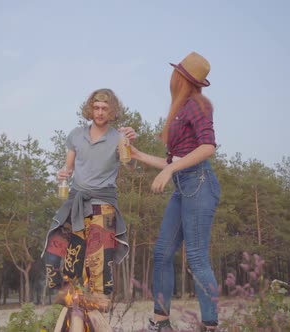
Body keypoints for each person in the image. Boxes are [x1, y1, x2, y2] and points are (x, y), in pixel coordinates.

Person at [130, 52, 221, 331]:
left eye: (176, 73)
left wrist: (169, 171)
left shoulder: (197, 104)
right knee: (162, 254)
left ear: (181, 78)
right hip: (184, 187)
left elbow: (208, 147)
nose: (171, 77)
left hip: (199, 184)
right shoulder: (180, 108)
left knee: (196, 256)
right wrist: (138, 155)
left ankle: (210, 325)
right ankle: (161, 321)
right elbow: (173, 160)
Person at [42, 88, 136, 307]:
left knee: (99, 263)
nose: (100, 112)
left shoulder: (118, 137)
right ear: (90, 108)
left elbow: (130, 165)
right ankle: (67, 302)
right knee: (56, 252)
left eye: (105, 108)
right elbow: (69, 169)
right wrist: (63, 174)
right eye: (96, 107)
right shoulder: (76, 134)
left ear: (112, 111)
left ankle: (98, 311)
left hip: (102, 205)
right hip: (76, 202)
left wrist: (130, 144)